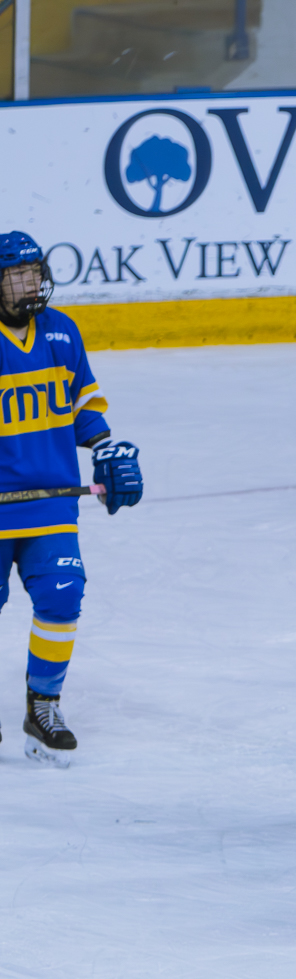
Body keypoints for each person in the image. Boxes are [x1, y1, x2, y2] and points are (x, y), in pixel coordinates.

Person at [0, 230, 144, 765]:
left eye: (34, 272)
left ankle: (43, 705)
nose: (30, 283)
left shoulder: (61, 331)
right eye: (16, 275)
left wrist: (107, 446)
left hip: (50, 506)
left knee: (62, 598)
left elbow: (84, 399)